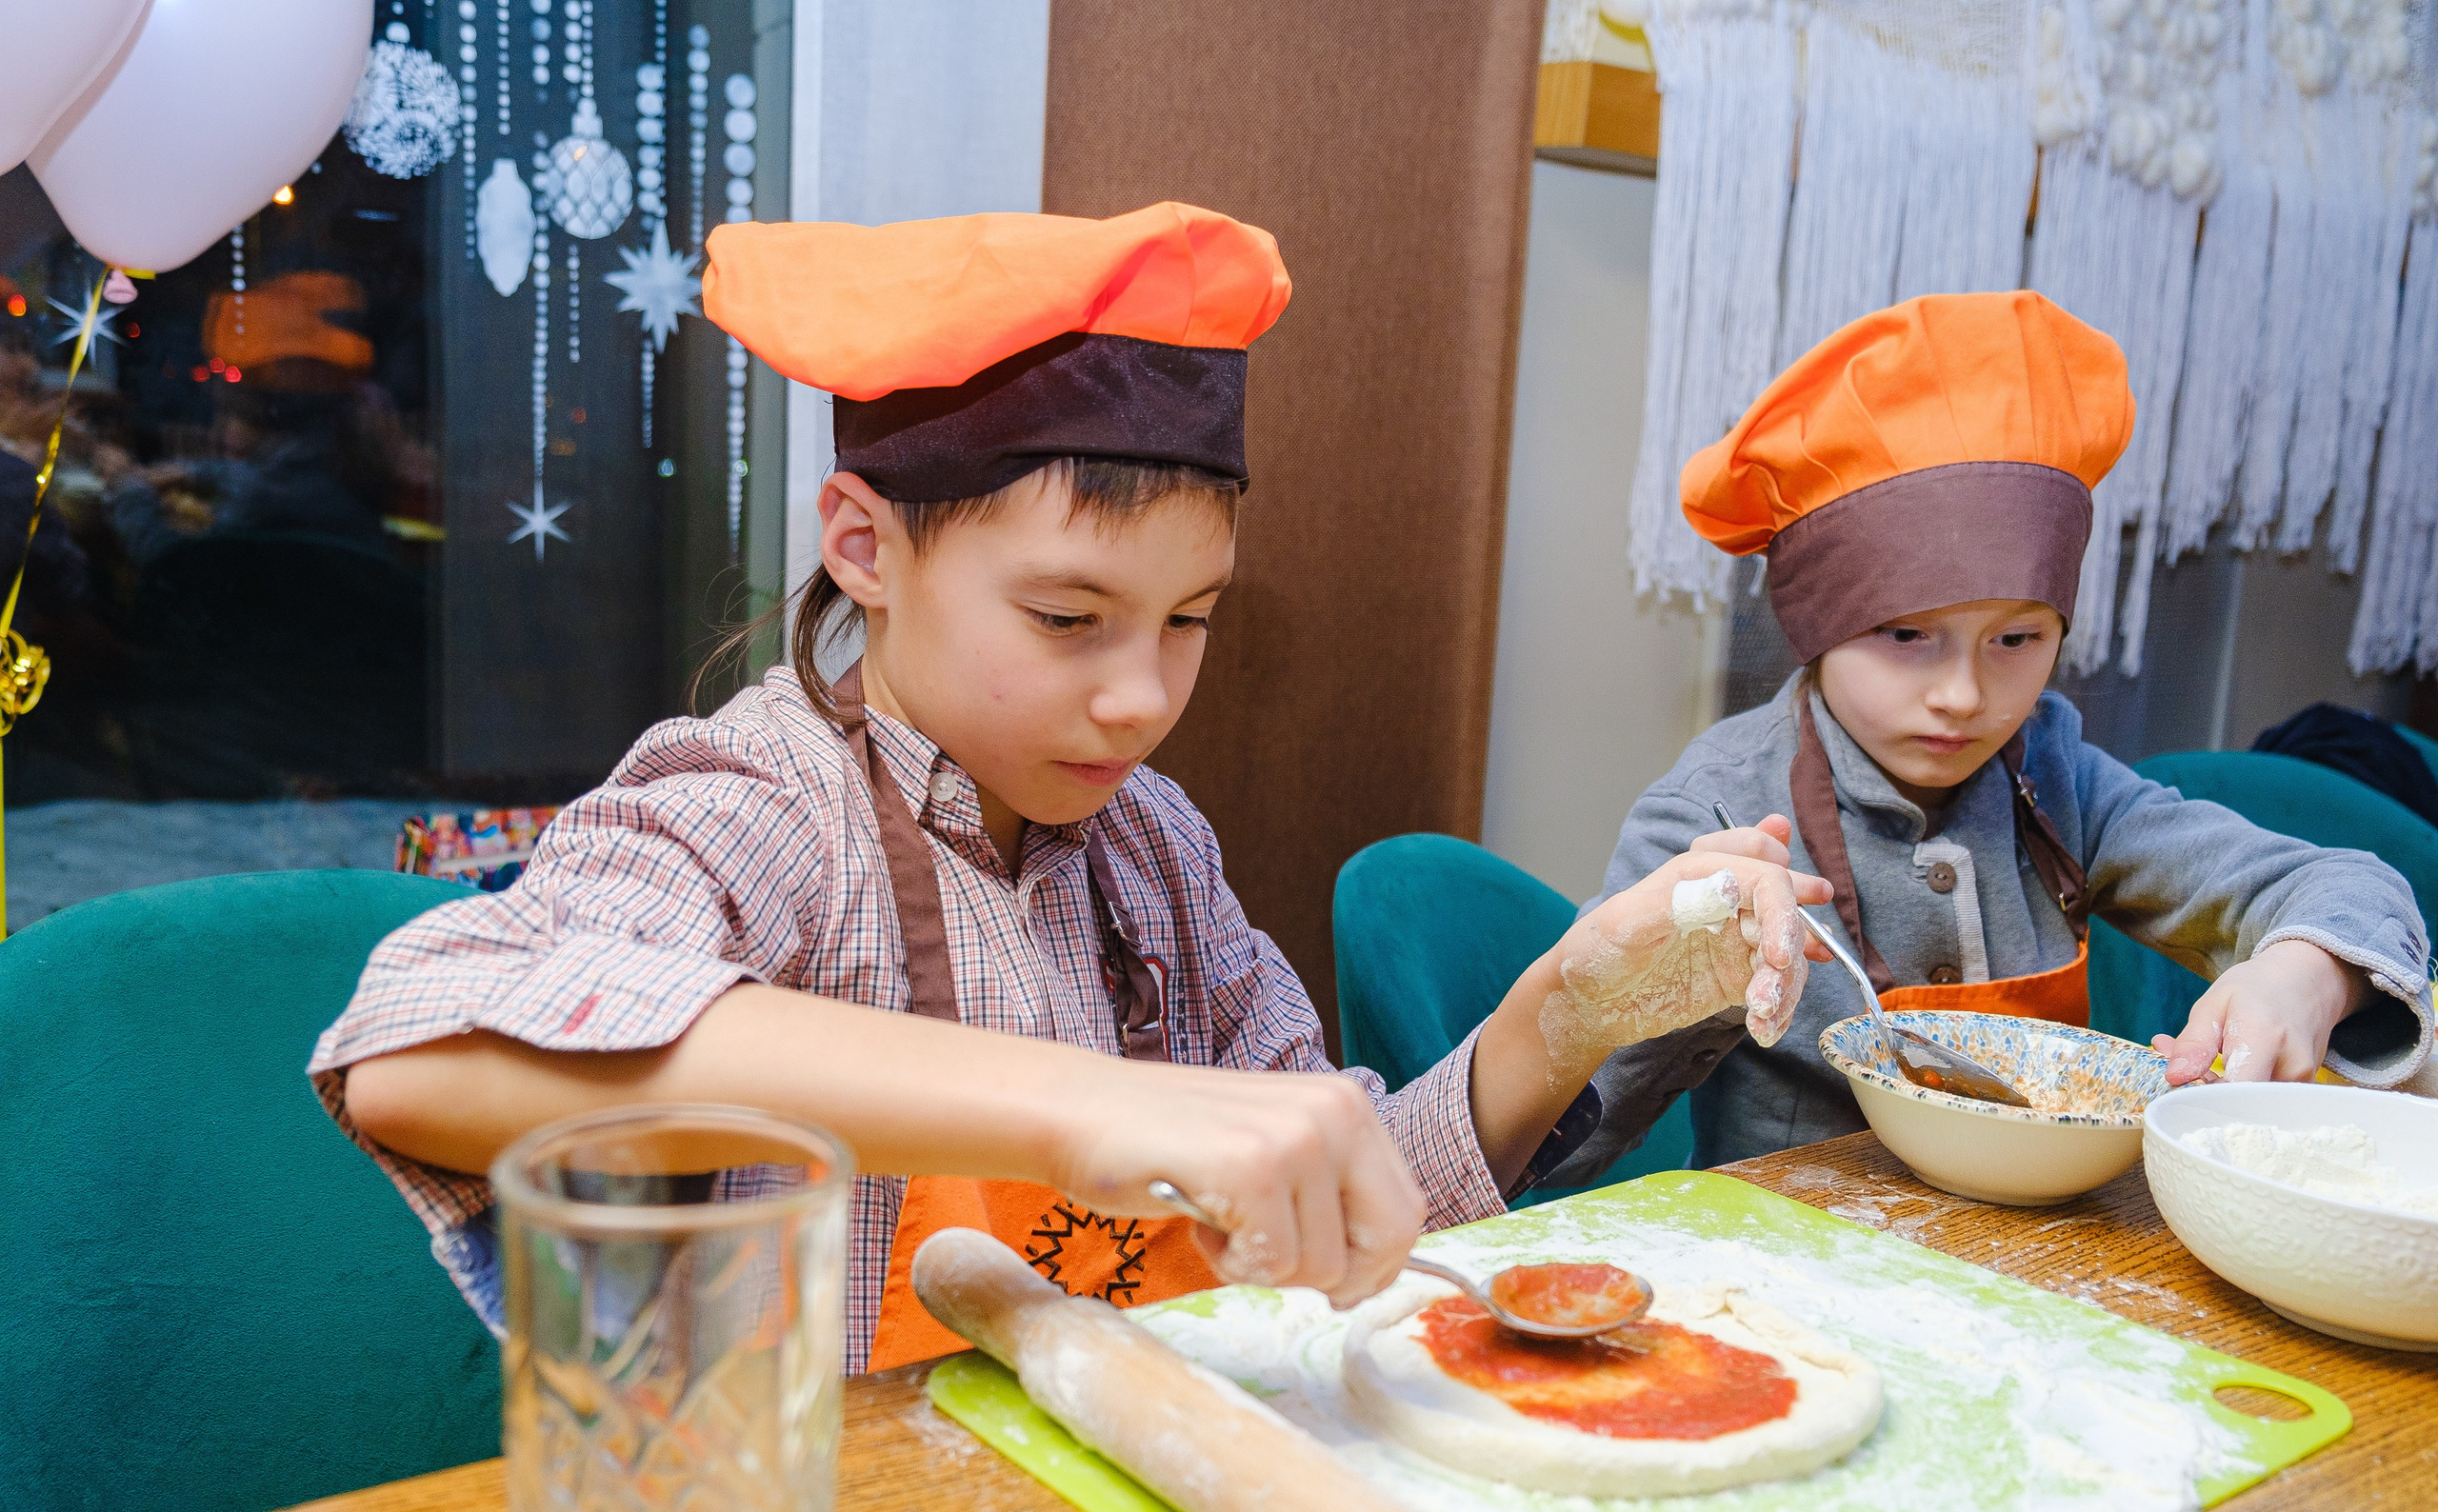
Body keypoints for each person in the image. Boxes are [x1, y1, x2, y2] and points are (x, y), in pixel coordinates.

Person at [314, 203, 1831, 1373]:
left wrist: (1560, 1008)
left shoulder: (1152, 843)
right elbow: (416, 1043)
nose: (1142, 696)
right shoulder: (761, 801)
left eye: (1191, 620)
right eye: (1066, 618)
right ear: (864, 546)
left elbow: (1332, 1186)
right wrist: (1078, 1107)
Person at [1548, 291, 2434, 1178]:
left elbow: (2349, 886)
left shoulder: (2058, 782)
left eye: (2017, 640)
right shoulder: (1715, 814)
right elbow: (1552, 1127)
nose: (1964, 696)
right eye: (1905, 636)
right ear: (1814, 624)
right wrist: (1654, 983)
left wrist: (2304, 973)